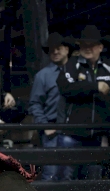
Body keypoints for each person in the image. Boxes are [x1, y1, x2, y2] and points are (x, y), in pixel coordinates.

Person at [56, 25, 110, 182]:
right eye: (84, 45)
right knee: (66, 179)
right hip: (72, 135)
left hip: (96, 137)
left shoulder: (109, 66)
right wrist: (95, 86)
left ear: (100, 47)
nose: (88, 48)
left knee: (93, 180)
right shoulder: (72, 65)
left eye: (92, 45)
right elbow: (65, 87)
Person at [28, 33, 79, 181]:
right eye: (52, 50)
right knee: (51, 174)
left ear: (67, 50)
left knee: (70, 175)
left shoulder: (78, 72)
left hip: (73, 129)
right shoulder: (43, 76)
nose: (55, 52)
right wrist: (45, 126)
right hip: (52, 130)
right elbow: (35, 103)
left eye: (59, 48)